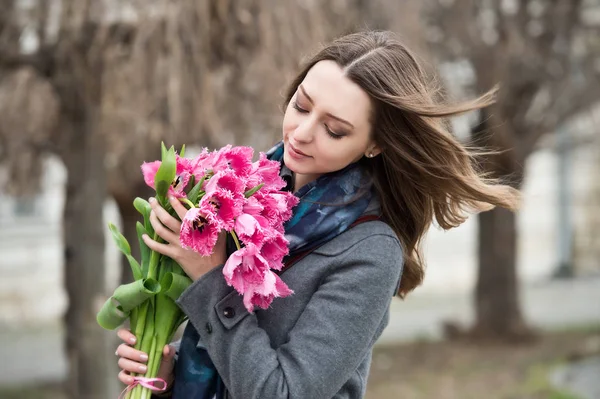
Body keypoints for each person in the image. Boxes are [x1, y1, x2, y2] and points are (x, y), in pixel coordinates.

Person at [114, 30, 519, 398]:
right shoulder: (246, 199)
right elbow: (225, 360)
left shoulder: (370, 252)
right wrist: (167, 377)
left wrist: (210, 278)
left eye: (335, 130)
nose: (302, 132)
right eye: (301, 105)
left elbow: (285, 393)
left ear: (374, 145)